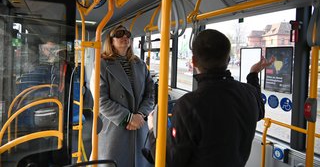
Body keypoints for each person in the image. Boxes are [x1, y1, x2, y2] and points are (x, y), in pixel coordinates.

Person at [147, 29, 275, 167]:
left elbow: (169, 162)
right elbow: (260, 110)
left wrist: (152, 130)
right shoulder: (249, 93)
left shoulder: (188, 105)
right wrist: (253, 74)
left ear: (194, 61)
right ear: (228, 60)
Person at [97, 25, 154, 167]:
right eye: (119, 34)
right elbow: (101, 101)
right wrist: (128, 118)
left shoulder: (139, 64)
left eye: (127, 34)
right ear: (110, 41)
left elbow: (150, 93)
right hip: (116, 127)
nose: (125, 37)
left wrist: (141, 114)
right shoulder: (101, 64)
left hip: (139, 126)